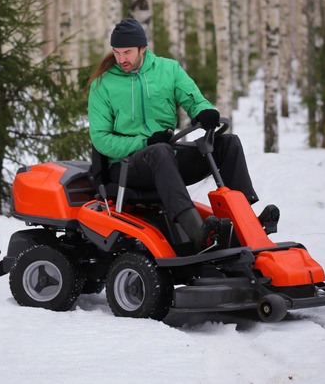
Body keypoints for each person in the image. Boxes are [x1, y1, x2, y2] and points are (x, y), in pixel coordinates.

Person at [87, 18, 260, 253]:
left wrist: (203, 111)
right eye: (116, 53)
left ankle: (247, 221)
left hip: (167, 160)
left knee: (227, 143)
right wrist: (144, 142)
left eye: (127, 52)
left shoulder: (169, 70)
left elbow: (193, 99)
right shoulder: (103, 85)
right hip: (129, 167)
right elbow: (101, 139)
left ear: (142, 49)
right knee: (159, 151)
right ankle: (198, 234)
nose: (121, 59)